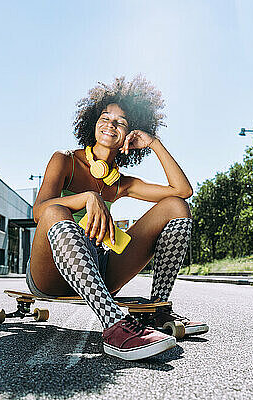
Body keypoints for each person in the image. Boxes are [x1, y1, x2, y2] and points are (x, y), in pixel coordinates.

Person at [28, 76, 208, 361]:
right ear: (92, 123)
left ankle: (157, 311)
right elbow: (39, 212)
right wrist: (87, 197)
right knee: (55, 211)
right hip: (49, 272)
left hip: (96, 271)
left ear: (130, 134)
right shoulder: (65, 160)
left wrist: (154, 143)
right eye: (105, 117)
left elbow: (182, 191)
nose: (110, 124)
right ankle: (114, 327)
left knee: (175, 207)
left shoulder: (122, 183)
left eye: (121, 122)